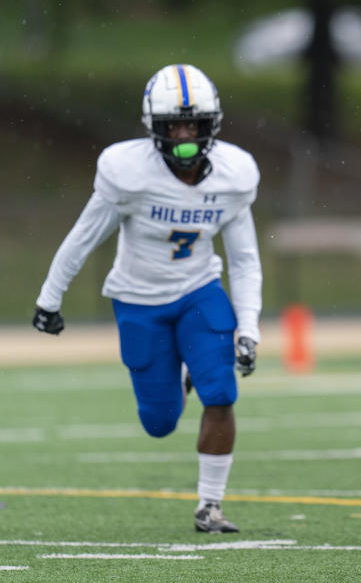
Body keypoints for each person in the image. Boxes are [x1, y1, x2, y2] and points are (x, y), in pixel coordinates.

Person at [32, 64, 262, 533]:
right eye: (173, 125)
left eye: (193, 125)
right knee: (158, 422)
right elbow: (83, 237)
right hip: (138, 300)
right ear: (154, 128)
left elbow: (243, 260)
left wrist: (250, 327)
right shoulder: (128, 173)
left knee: (220, 390)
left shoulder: (232, 178)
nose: (184, 135)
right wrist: (49, 299)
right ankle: (181, 375)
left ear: (210, 125)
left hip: (200, 290)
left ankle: (210, 506)